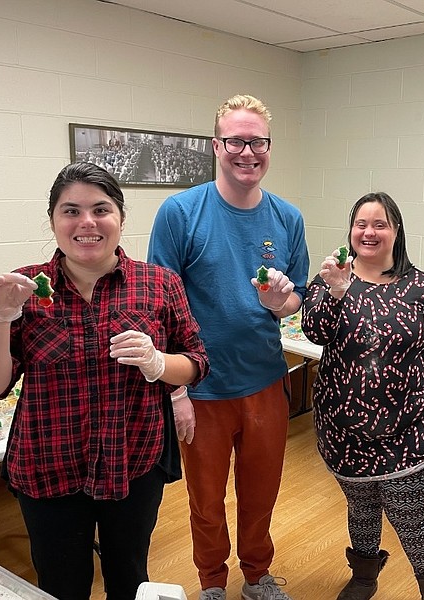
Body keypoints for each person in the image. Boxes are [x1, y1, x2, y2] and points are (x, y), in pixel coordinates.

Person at [0, 162, 209, 600]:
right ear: (54, 220)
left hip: (132, 462)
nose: (87, 222)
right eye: (70, 210)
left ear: (121, 218)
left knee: (129, 578)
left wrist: (158, 364)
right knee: (60, 585)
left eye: (101, 209)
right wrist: (0, 317)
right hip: (48, 469)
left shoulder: (159, 284)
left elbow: (197, 361)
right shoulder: (27, 287)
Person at [147, 94, 310, 600]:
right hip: (202, 390)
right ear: (216, 145)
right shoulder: (180, 212)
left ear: (268, 147)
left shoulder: (288, 218)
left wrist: (283, 303)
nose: (247, 152)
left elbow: (297, 299)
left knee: (261, 495)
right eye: (235, 140)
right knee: (206, 500)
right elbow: (160, 305)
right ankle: (213, 583)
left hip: (265, 381)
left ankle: (257, 577)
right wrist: (176, 392)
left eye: (256, 142)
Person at [301, 192, 424, 600]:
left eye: (380, 224)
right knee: (362, 507)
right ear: (351, 231)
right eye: (361, 224)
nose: (369, 232)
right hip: (341, 428)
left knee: (412, 518)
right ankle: (365, 576)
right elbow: (314, 332)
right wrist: (335, 292)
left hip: (407, 427)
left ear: (396, 231)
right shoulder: (330, 278)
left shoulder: (423, 287)